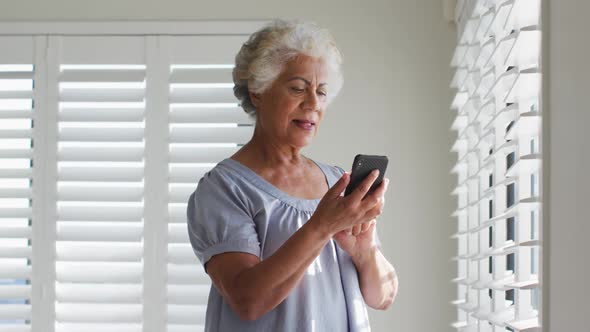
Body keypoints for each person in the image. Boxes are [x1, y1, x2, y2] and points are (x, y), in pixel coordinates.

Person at [187, 19, 398, 332]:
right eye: (298, 89)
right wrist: (323, 226)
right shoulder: (223, 189)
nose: (313, 103)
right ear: (257, 92)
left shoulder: (337, 182)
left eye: (322, 92)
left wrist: (364, 251)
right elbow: (248, 300)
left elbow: (383, 297)